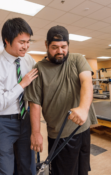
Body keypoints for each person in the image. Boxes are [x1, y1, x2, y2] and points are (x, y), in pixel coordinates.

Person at [25, 25, 98, 175]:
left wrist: (83, 109)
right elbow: (35, 103)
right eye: (55, 47)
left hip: (82, 128)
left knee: (82, 171)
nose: (60, 51)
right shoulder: (38, 69)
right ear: (46, 45)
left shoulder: (77, 59)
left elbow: (86, 82)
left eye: (64, 46)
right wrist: (36, 132)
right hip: (59, 134)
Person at [0, 17, 38, 175]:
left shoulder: (27, 59)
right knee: (6, 170)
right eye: (22, 42)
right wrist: (22, 84)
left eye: (28, 41)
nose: (26, 46)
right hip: (3, 124)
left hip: (25, 119)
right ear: (7, 40)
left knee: (28, 166)